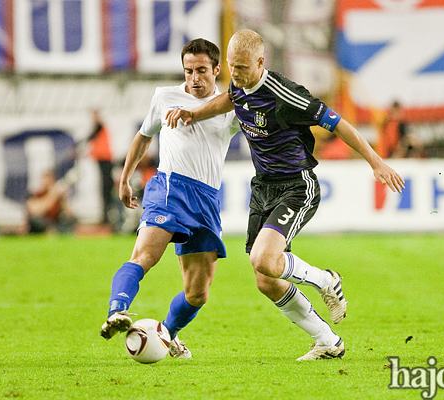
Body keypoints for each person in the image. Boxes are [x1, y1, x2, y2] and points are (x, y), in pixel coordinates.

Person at [166, 29, 405, 361]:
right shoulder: (239, 81)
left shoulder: (286, 95)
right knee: (266, 279)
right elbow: (231, 98)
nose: (235, 75)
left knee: (263, 259)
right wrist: (195, 113)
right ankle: (328, 341)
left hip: (296, 186)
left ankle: (326, 279)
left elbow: (339, 124)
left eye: (243, 68)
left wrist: (376, 162)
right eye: (232, 67)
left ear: (261, 62)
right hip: (262, 187)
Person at [99, 38, 239, 359]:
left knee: (198, 293)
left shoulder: (227, 107)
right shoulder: (164, 96)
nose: (194, 78)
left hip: (206, 200)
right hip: (169, 188)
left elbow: (245, 101)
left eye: (202, 70)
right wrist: (124, 178)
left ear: (217, 70)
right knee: (145, 256)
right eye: (188, 71)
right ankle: (117, 310)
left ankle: (165, 335)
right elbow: (144, 135)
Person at [87, 109, 115, 225]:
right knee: (105, 189)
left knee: (106, 189)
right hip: (103, 160)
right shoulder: (100, 128)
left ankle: (107, 216)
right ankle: (107, 215)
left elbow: (91, 136)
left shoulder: (99, 127)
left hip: (105, 160)